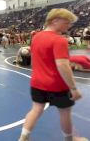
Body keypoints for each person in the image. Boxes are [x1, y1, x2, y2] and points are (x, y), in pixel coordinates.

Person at [19, 8, 87, 141]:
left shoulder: (36, 37)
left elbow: (38, 58)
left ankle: (23, 137)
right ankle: (69, 139)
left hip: (37, 83)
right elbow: (62, 65)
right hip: (57, 86)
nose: (69, 25)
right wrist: (73, 88)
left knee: (36, 110)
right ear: (55, 21)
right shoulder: (59, 40)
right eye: (67, 22)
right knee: (65, 113)